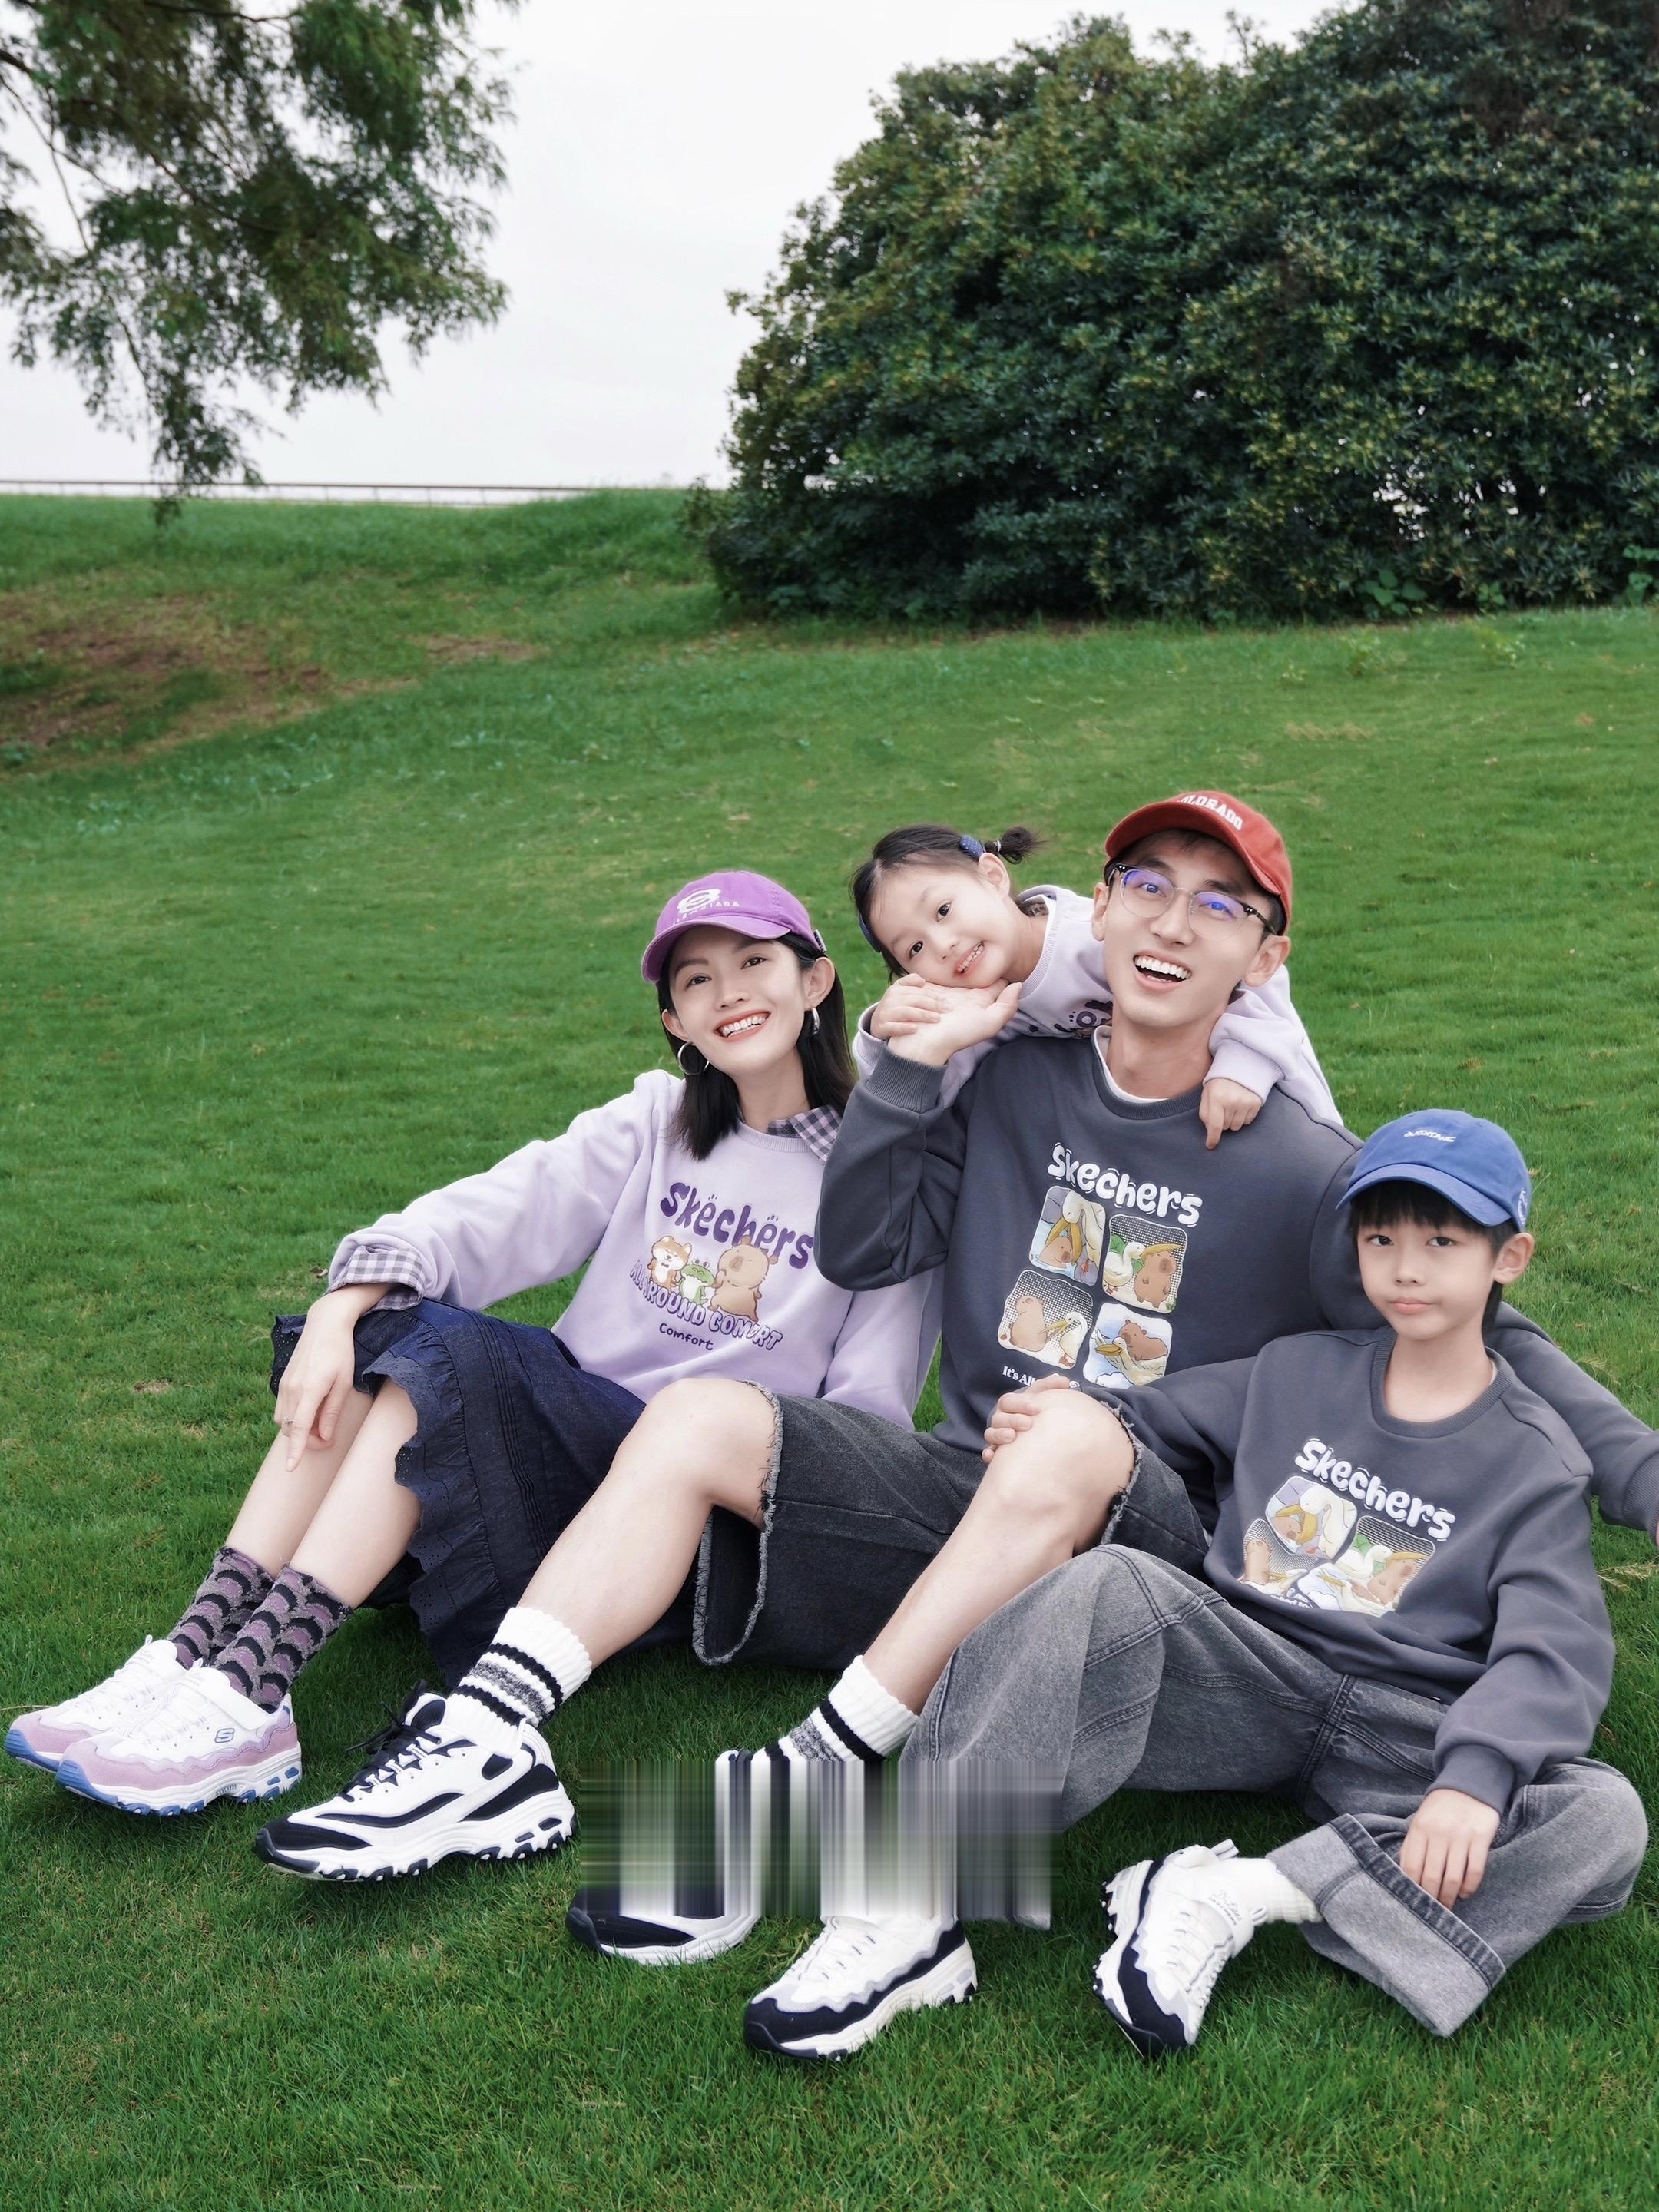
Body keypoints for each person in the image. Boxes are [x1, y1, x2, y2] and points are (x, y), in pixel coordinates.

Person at [558, 791, 1659, 2054]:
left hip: (1154, 1531)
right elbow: (862, 1246)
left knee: (1079, 1434)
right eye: (1146, 887)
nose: (1173, 924)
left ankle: (809, 1792)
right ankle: (502, 1734)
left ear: (1265, 958)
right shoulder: (1006, 1081)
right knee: (709, 1416)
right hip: (977, 1493)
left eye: (1219, 907)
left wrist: (1638, 1471)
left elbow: (1476, 1329)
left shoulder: (1305, 1169)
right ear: (1098, 907)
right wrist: (909, 1071)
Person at [6, 873, 932, 1860]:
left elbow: (863, 1426)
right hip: (551, 1457)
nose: (729, 992)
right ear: (676, 1021)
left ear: (816, 981)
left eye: (754, 962)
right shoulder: (654, 1122)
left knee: (448, 1352)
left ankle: (252, 1690)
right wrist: (342, 1307)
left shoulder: (884, 1178)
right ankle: (196, 1654)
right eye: (697, 979)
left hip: (673, 1516)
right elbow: (486, 1213)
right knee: (397, 1329)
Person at [865, 1113, 1645, 2061]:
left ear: (1508, 1257)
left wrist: (1474, 1783)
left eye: (1443, 1242)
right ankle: (915, 1884)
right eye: (1382, 1240)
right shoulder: (1296, 1369)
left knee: (1602, 1823)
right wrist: (1062, 1417)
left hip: (1401, 1724)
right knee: (1107, 1585)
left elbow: (1551, 1649)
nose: (1406, 1268)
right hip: (1246, 1677)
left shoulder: (1539, 1462)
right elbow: (1148, 1419)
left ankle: (1248, 1893)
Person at [847, 819, 1337, 1147]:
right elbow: (920, 1100)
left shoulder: (1099, 935)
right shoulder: (976, 1006)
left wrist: (1244, 1067)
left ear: (993, 876)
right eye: (913, 949)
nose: (943, 945)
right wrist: (890, 1037)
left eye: (943, 910)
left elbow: (1256, 983)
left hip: (1276, 1098)